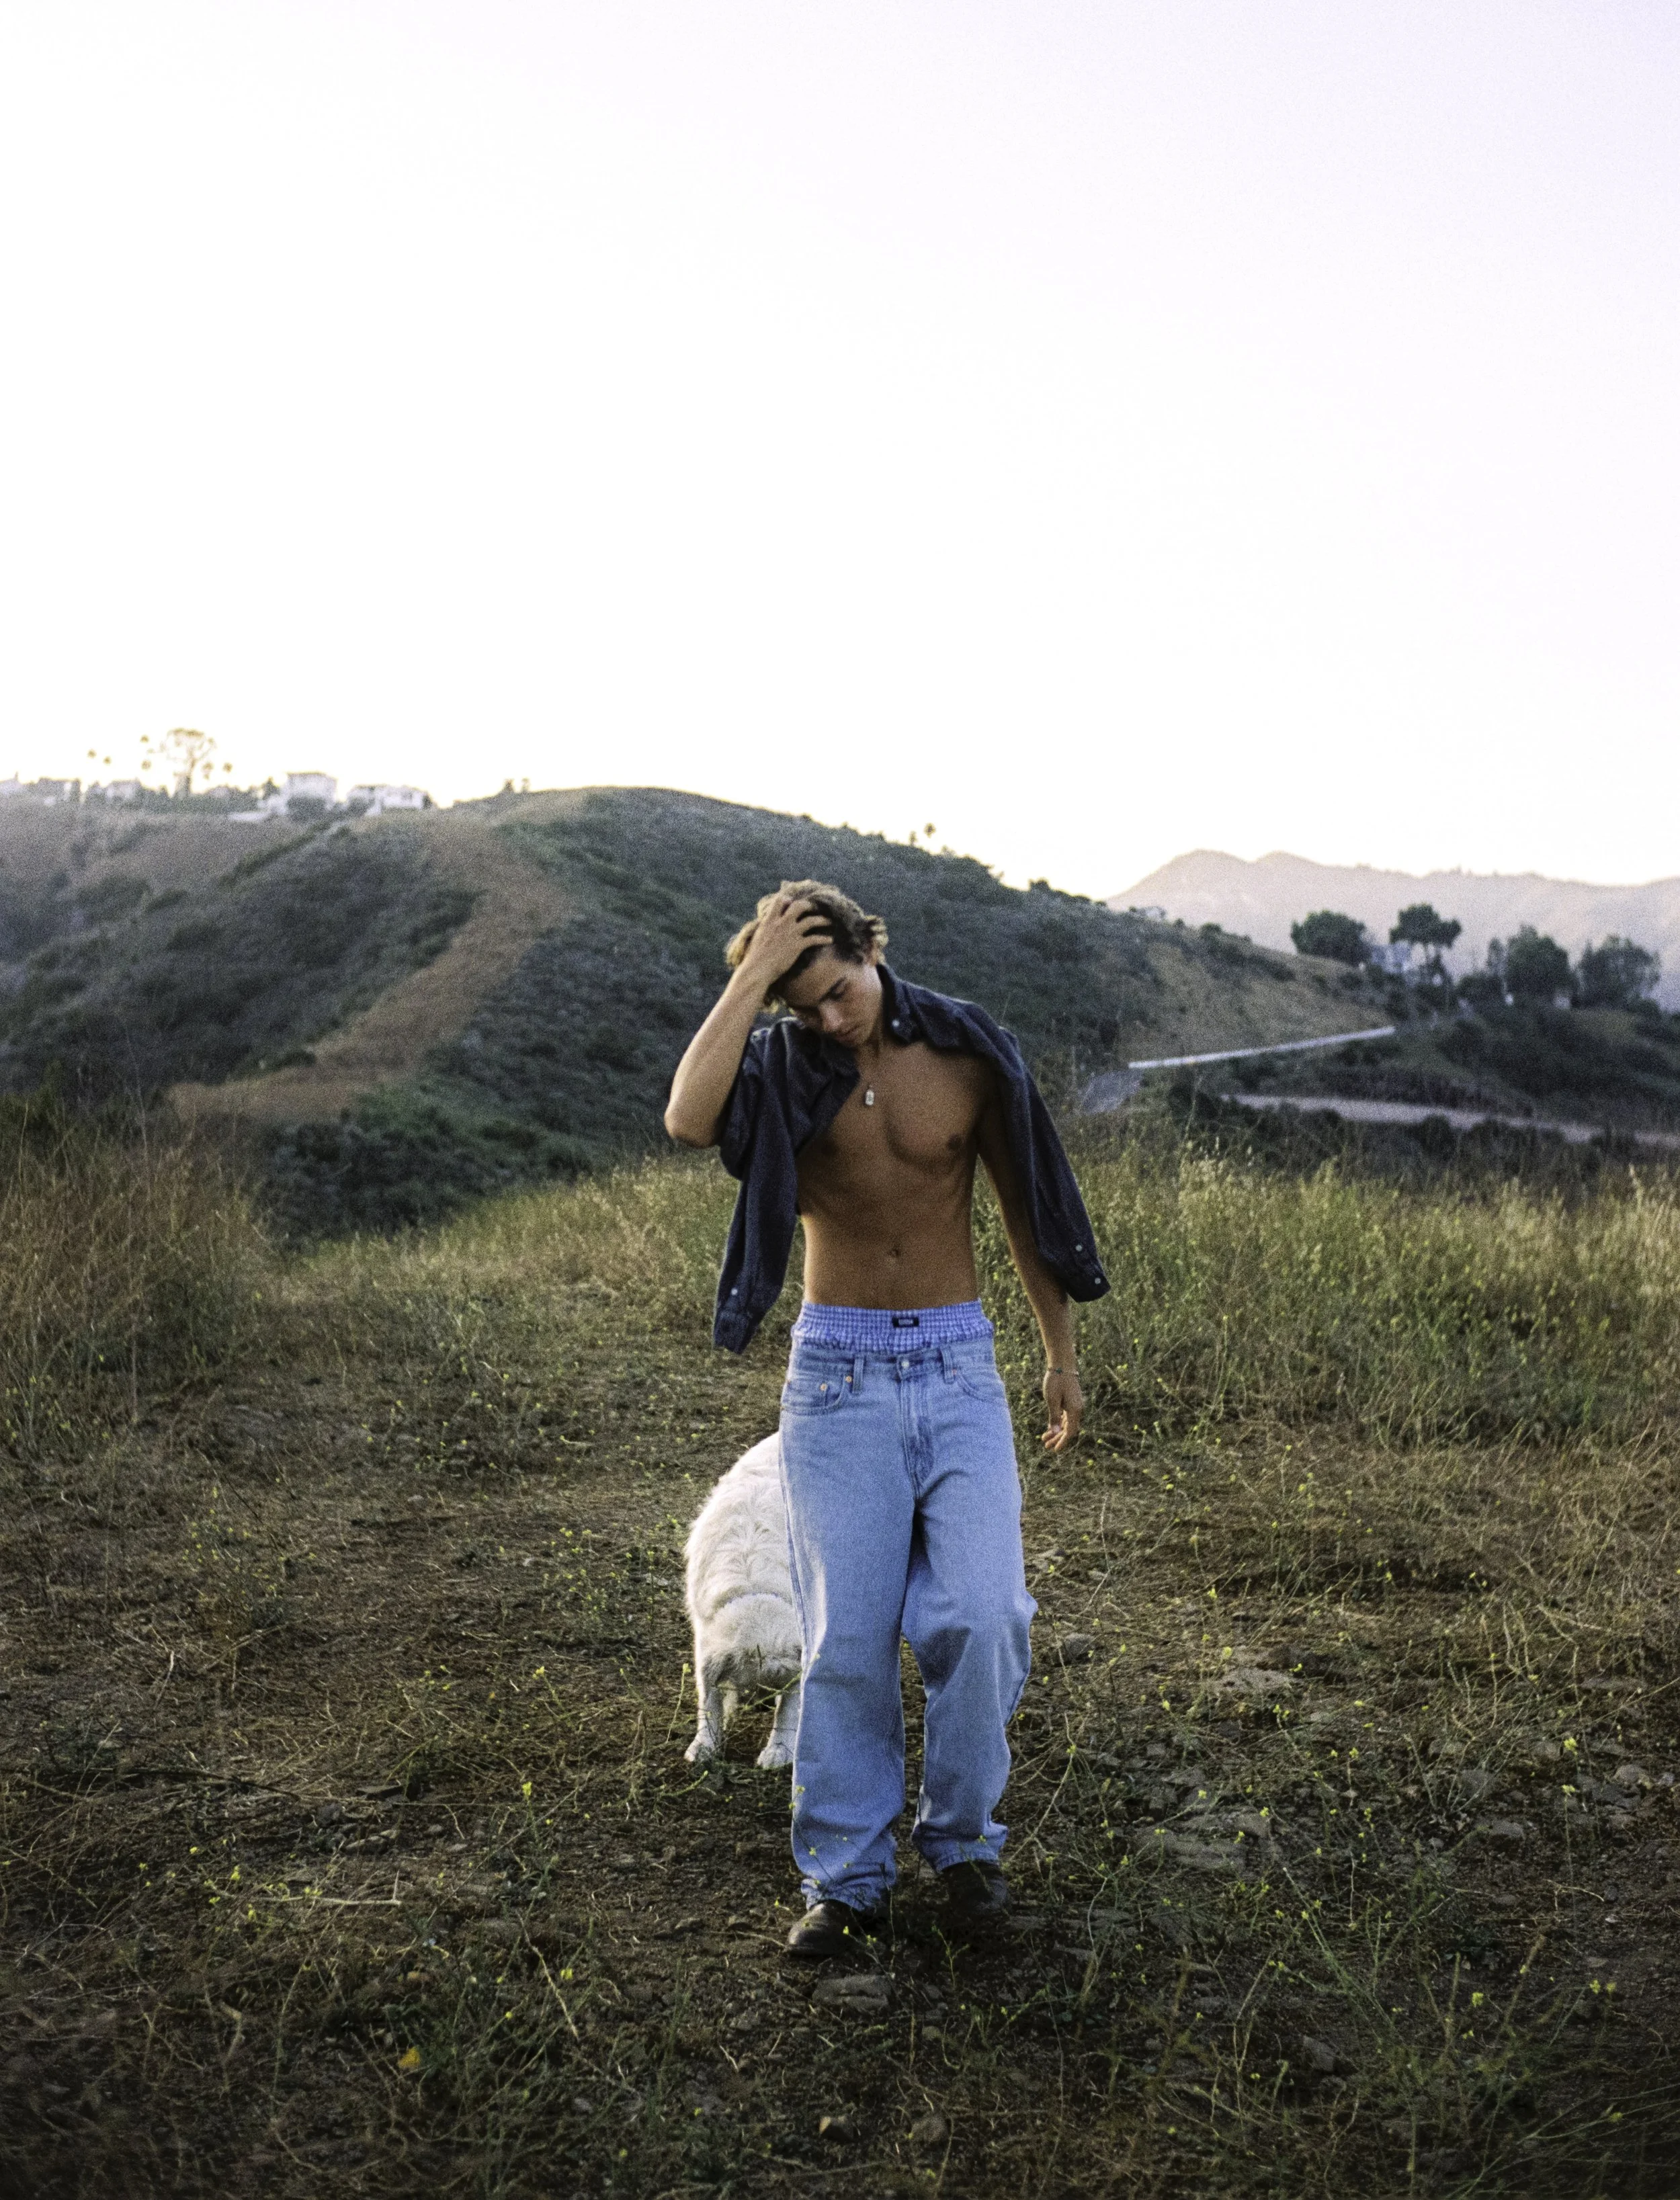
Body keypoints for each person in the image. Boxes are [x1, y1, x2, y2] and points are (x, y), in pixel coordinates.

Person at [664, 880, 1109, 1957]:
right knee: (845, 1642)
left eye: (838, 991)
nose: (828, 1018)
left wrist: (1058, 1353)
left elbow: (1021, 1203)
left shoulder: (962, 1049)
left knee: (985, 1614)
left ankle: (963, 1848)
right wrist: (751, 975)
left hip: (958, 1365)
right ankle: (848, 1879)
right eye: (801, 1003)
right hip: (838, 1373)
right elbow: (685, 1117)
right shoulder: (778, 1066)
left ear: (872, 950)